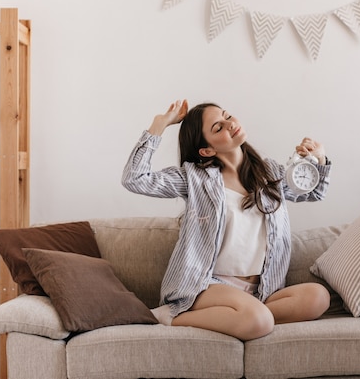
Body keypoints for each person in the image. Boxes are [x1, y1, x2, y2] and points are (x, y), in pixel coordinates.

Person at [122, 99, 332, 341]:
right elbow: (134, 178)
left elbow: (314, 192)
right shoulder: (195, 179)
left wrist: (319, 158)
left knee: (318, 297)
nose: (229, 124)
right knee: (259, 320)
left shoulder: (270, 173)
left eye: (227, 116)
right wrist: (159, 125)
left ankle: (244, 316)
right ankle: (170, 316)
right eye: (218, 128)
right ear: (207, 150)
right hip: (208, 286)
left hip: (261, 290)